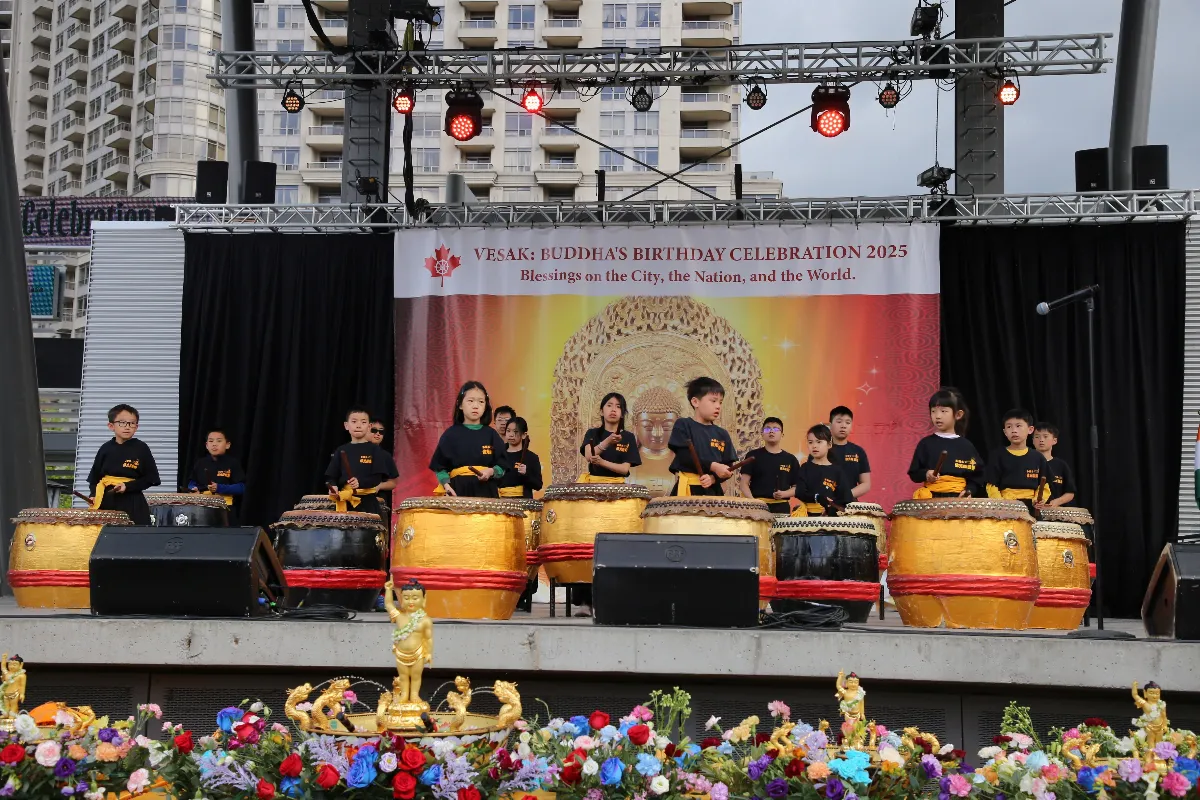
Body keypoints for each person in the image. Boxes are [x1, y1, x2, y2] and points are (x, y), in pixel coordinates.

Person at [429, 381, 508, 498]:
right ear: (460, 405)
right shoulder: (450, 434)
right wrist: (447, 486)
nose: (476, 406)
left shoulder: (491, 434)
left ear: (486, 406)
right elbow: (440, 467)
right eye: (470, 401)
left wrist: (490, 472)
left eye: (481, 402)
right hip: (457, 492)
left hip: (487, 492)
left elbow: (502, 465)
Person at [86, 404, 161, 525]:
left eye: (132, 423)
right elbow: (94, 478)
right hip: (106, 500)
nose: (127, 427)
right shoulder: (105, 449)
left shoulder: (141, 448)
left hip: (133, 502)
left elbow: (152, 479)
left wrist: (128, 486)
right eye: (122, 423)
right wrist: (93, 495)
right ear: (111, 426)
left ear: (136, 427)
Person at [907, 387, 985, 499]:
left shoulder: (966, 446)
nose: (937, 416)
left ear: (958, 415)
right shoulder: (925, 444)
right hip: (931, 499)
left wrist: (969, 490)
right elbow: (914, 473)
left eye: (943, 411)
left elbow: (978, 476)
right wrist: (926, 474)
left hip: (959, 500)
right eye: (933, 411)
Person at [324, 406, 399, 523]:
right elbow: (331, 476)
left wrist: (360, 483)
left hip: (367, 503)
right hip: (345, 502)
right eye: (354, 422)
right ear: (346, 425)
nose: (358, 425)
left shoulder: (375, 450)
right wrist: (332, 486)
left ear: (369, 426)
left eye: (363, 422)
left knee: (365, 540)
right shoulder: (341, 450)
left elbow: (376, 479)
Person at [667, 376, 737, 496]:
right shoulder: (683, 424)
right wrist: (713, 466)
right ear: (695, 402)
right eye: (713, 401)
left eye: (720, 402)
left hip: (713, 490)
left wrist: (714, 478)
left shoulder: (722, 434)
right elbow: (684, 457)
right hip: (688, 489)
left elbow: (728, 467)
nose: (718, 406)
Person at [984, 408, 1050, 512]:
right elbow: (991, 485)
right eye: (1009, 427)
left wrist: (1038, 500)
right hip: (1005, 506)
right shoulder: (997, 455)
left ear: (1030, 429)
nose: (1014, 430)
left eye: (1018, 426)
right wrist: (1000, 504)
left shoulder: (1038, 457)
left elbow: (1045, 486)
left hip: (1032, 508)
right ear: (1005, 432)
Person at [739, 416, 800, 514]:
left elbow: (797, 487)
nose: (771, 431)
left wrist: (784, 494)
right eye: (767, 429)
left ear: (782, 435)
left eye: (776, 429)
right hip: (757, 507)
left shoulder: (790, 459)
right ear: (762, 434)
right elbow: (743, 484)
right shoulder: (752, 456)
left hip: (782, 507)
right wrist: (754, 503)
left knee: (780, 530)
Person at [186, 428, 246, 525]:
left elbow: (242, 487)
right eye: (211, 441)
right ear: (206, 445)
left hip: (225, 508)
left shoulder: (232, 463)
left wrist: (219, 488)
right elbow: (192, 483)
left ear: (227, 445)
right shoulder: (200, 463)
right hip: (202, 509)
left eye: (219, 441)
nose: (214, 444)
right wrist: (193, 489)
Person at [580, 392, 642, 483]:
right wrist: (608, 441)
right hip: (593, 484)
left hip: (618, 486)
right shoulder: (592, 433)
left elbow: (624, 469)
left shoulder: (629, 437)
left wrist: (602, 462)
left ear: (622, 414)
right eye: (609, 405)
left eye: (618, 406)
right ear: (601, 412)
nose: (613, 410)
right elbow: (589, 456)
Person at [793, 424, 854, 516]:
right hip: (807, 518)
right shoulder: (805, 467)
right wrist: (817, 497)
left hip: (831, 520)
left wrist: (831, 509)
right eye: (810, 442)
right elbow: (799, 493)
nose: (814, 446)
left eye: (819, 442)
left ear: (829, 444)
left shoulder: (837, 471)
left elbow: (846, 498)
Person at [828, 405, 872, 499]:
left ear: (851, 426)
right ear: (830, 425)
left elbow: (866, 483)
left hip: (850, 505)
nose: (843, 426)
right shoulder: (820, 450)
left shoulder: (858, 451)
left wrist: (845, 495)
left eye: (848, 422)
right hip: (824, 506)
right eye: (839, 421)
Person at [497, 417, 543, 499]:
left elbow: (538, 485)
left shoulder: (531, 457)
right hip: (499, 501)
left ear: (524, 435)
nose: (511, 434)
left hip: (522, 503)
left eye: (515, 431)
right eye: (508, 431)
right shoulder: (498, 454)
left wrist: (526, 474)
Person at [1033, 421, 1077, 507]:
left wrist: (1058, 501)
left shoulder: (1061, 465)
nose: (1041, 440)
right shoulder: (1026, 462)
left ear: (1054, 440)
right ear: (1033, 441)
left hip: (1054, 513)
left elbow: (1070, 492)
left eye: (1045, 436)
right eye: (1037, 437)